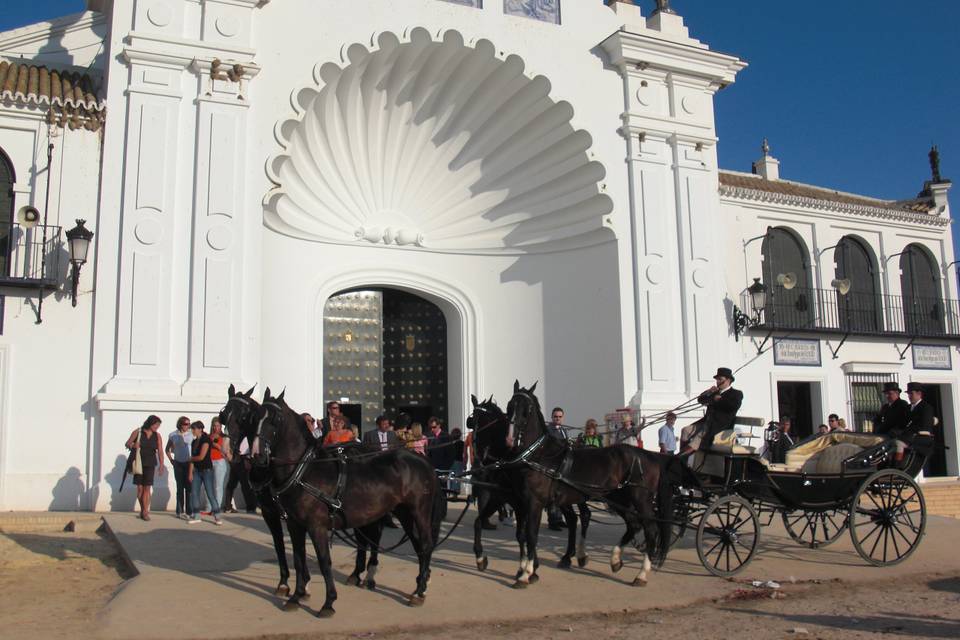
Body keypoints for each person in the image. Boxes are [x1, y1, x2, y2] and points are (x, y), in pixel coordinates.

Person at [691, 367, 743, 452]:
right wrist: (709, 392)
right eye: (717, 379)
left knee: (696, 440)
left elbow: (733, 406)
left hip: (720, 425)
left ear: (728, 380)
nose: (718, 382)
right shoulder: (714, 393)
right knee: (685, 430)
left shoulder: (736, 393)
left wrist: (719, 400)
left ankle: (681, 459)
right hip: (706, 423)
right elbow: (700, 400)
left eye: (720, 379)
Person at [125, 415, 165, 521]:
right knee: (140, 489)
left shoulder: (157, 436)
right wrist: (133, 445)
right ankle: (143, 509)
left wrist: (161, 464)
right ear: (150, 423)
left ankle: (145, 511)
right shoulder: (138, 432)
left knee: (147, 488)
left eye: (158, 426)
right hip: (138, 463)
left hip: (150, 463)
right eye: (156, 425)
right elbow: (127, 443)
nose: (157, 427)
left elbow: (160, 450)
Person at [187, 421, 222, 525]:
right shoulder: (194, 442)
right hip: (197, 471)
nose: (193, 431)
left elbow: (201, 456)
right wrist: (190, 472)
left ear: (200, 429)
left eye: (194, 429)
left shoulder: (206, 440)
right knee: (194, 493)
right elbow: (193, 460)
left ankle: (217, 516)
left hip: (207, 470)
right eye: (192, 429)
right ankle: (197, 515)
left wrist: (191, 459)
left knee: (210, 493)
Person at [165, 416, 194, 520]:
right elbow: (167, 449)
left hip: (189, 463)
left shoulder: (192, 435)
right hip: (178, 463)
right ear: (181, 424)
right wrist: (171, 460)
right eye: (186, 424)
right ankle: (179, 510)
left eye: (189, 424)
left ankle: (189, 511)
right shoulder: (173, 435)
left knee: (189, 488)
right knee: (180, 487)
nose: (188, 426)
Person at [546, 407, 569, 530]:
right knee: (553, 494)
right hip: (552, 465)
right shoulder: (548, 430)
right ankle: (552, 521)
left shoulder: (564, 430)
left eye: (560, 417)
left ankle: (559, 518)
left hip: (562, 465)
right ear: (552, 417)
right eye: (555, 416)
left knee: (561, 493)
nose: (558, 418)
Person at [901, 382, 936, 462]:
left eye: (911, 394)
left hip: (920, 437)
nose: (909, 396)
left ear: (919, 393)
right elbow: (903, 423)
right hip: (908, 436)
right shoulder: (908, 408)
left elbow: (925, 425)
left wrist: (907, 430)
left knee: (898, 443)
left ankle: (897, 465)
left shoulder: (926, 408)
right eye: (908, 394)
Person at [223, 434, 257, 514]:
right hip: (240, 460)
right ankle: (250, 507)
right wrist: (247, 459)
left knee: (232, 485)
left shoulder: (236, 436)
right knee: (244, 485)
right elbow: (245, 450)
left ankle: (228, 506)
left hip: (237, 460)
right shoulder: (245, 436)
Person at [209, 417, 232, 515]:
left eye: (218, 425)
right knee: (210, 486)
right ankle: (210, 507)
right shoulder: (209, 436)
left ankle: (217, 508)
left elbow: (228, 451)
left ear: (221, 426)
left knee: (218, 486)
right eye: (214, 425)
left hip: (220, 461)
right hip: (210, 462)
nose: (215, 428)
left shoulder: (225, 437)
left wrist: (217, 446)